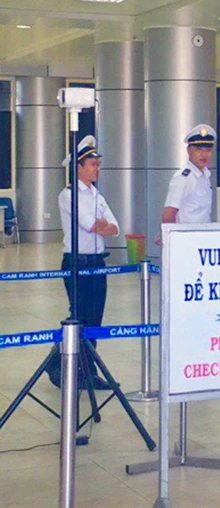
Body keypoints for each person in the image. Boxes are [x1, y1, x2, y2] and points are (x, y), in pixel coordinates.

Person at [47, 135, 119, 390]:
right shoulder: (69, 195)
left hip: (98, 262)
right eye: (93, 165)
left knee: (94, 320)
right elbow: (91, 225)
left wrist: (104, 226)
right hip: (77, 263)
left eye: (98, 164)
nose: (97, 169)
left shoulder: (97, 195)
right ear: (78, 167)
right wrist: (102, 226)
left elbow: (114, 227)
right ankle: (62, 365)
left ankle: (85, 371)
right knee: (80, 318)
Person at [162, 124, 216, 227]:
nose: (204, 155)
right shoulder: (183, 178)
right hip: (186, 235)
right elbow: (168, 215)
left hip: (203, 234)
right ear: (188, 150)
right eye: (198, 149)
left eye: (208, 150)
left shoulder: (205, 176)